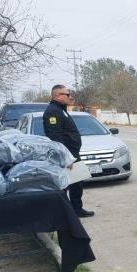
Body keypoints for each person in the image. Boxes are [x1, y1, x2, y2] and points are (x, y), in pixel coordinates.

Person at [43, 85, 94, 218]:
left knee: (77, 183)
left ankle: (76, 209)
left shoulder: (61, 110)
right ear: (58, 96)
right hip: (66, 156)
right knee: (64, 185)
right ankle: (63, 214)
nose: (70, 97)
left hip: (72, 154)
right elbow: (56, 137)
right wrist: (65, 158)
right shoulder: (53, 112)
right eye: (67, 94)